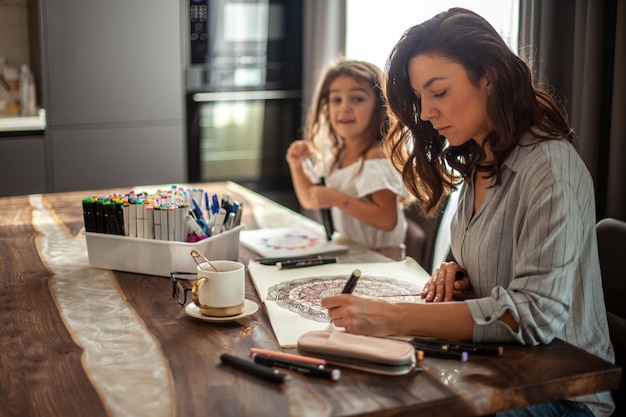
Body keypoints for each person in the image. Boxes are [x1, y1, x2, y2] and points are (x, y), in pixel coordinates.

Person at [321, 8, 614, 417]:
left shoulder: (549, 169)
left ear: (488, 76)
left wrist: (391, 316)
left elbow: (533, 315)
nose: (424, 113)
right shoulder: (481, 157)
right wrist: (456, 271)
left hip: (560, 393)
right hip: (498, 366)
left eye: (438, 92)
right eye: (421, 98)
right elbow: (491, 267)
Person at [285, 59, 407, 256]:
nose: (344, 108)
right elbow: (311, 199)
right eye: (336, 100)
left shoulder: (375, 157)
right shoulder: (338, 154)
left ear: (382, 107)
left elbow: (387, 219)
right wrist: (296, 165)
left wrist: (336, 198)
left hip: (380, 260)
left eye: (357, 99)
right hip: (352, 254)